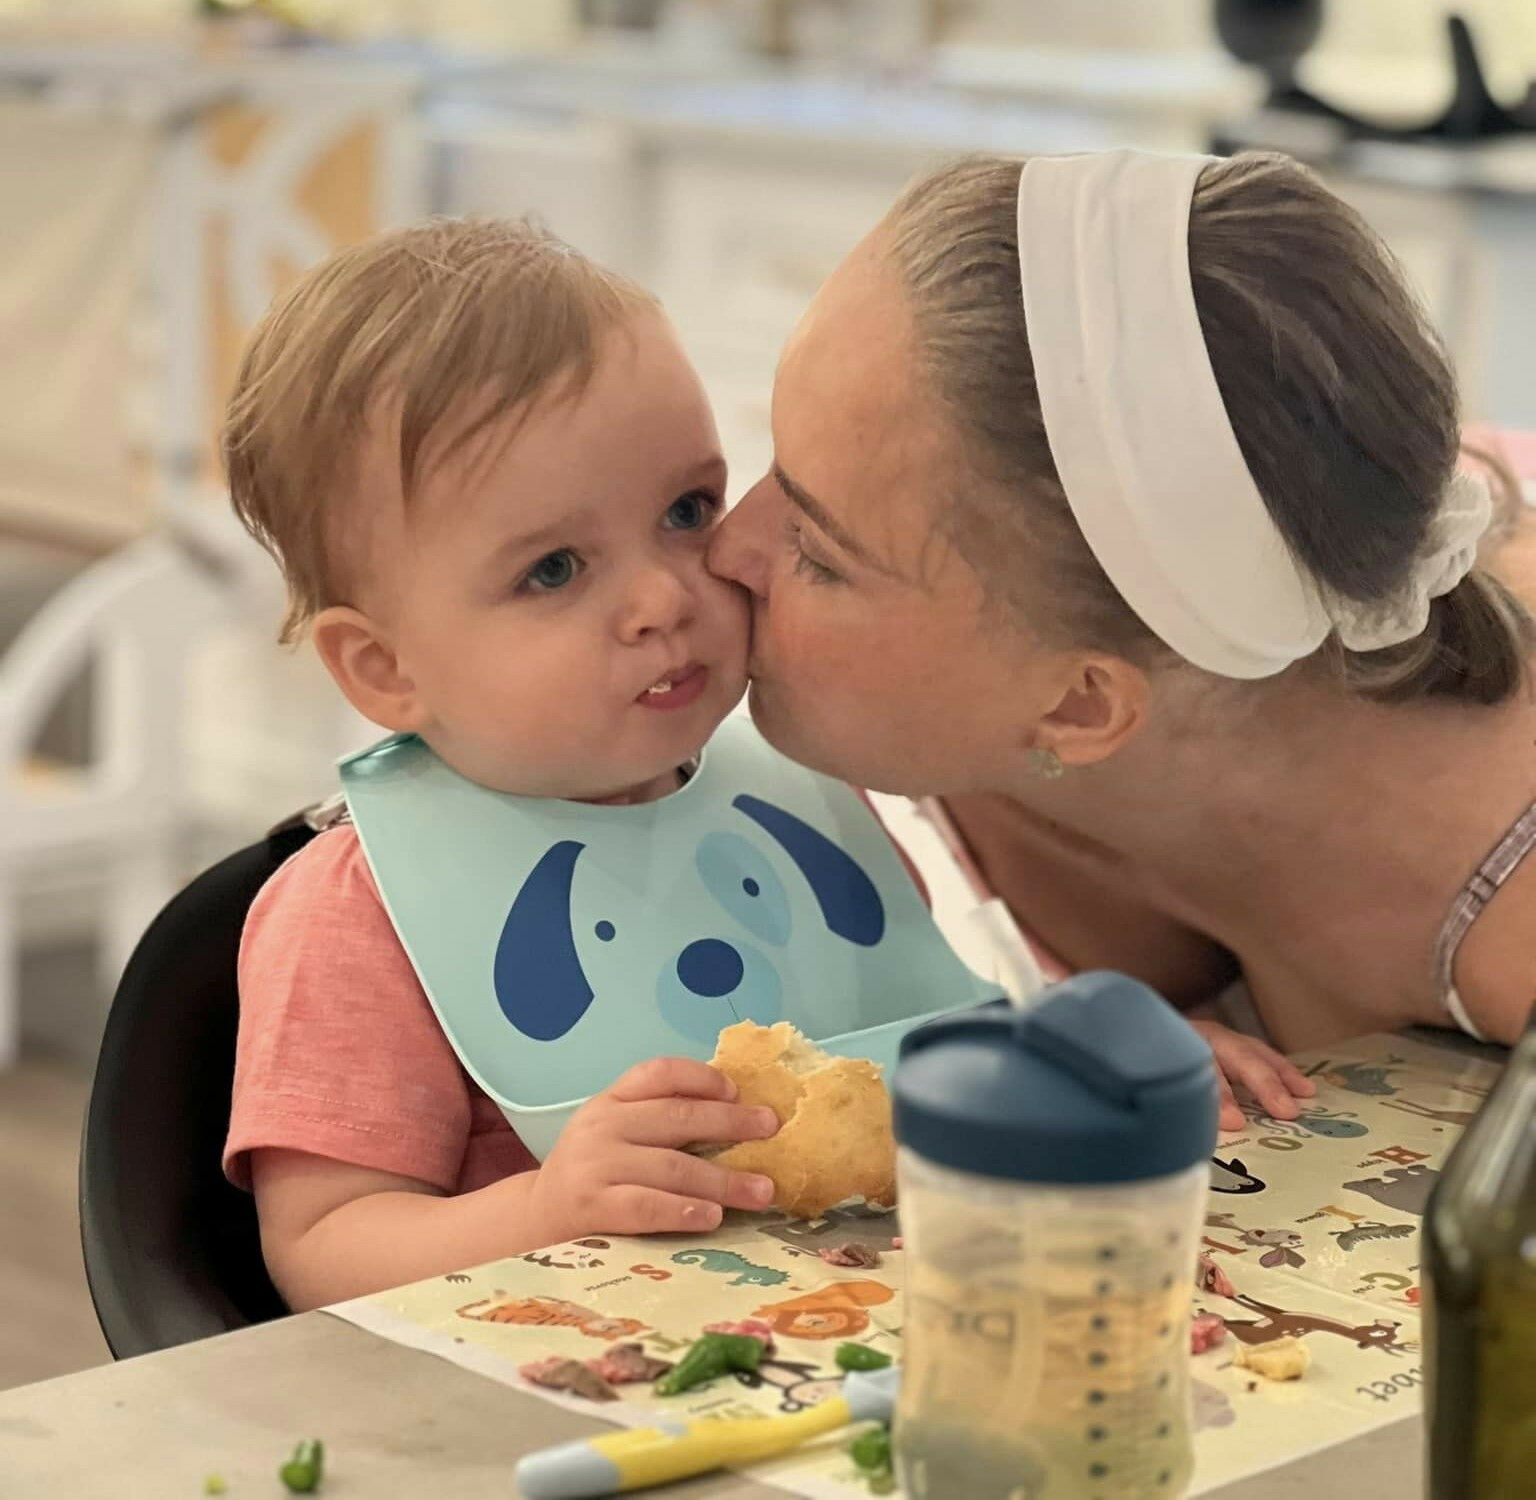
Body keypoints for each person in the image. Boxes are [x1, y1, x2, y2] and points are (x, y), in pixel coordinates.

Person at [217, 217, 1083, 1313]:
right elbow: (322, 1251)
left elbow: (931, 1046)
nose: (665, 597)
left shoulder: (810, 789)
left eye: (685, 511)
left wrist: (1095, 1056)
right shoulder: (353, 915)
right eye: (554, 570)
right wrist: (546, 1209)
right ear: (386, 668)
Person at [708, 149, 1536, 1083]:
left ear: (1083, 709)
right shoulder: (1010, 695)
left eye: (818, 552)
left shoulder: (1506, 909)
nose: (724, 548)